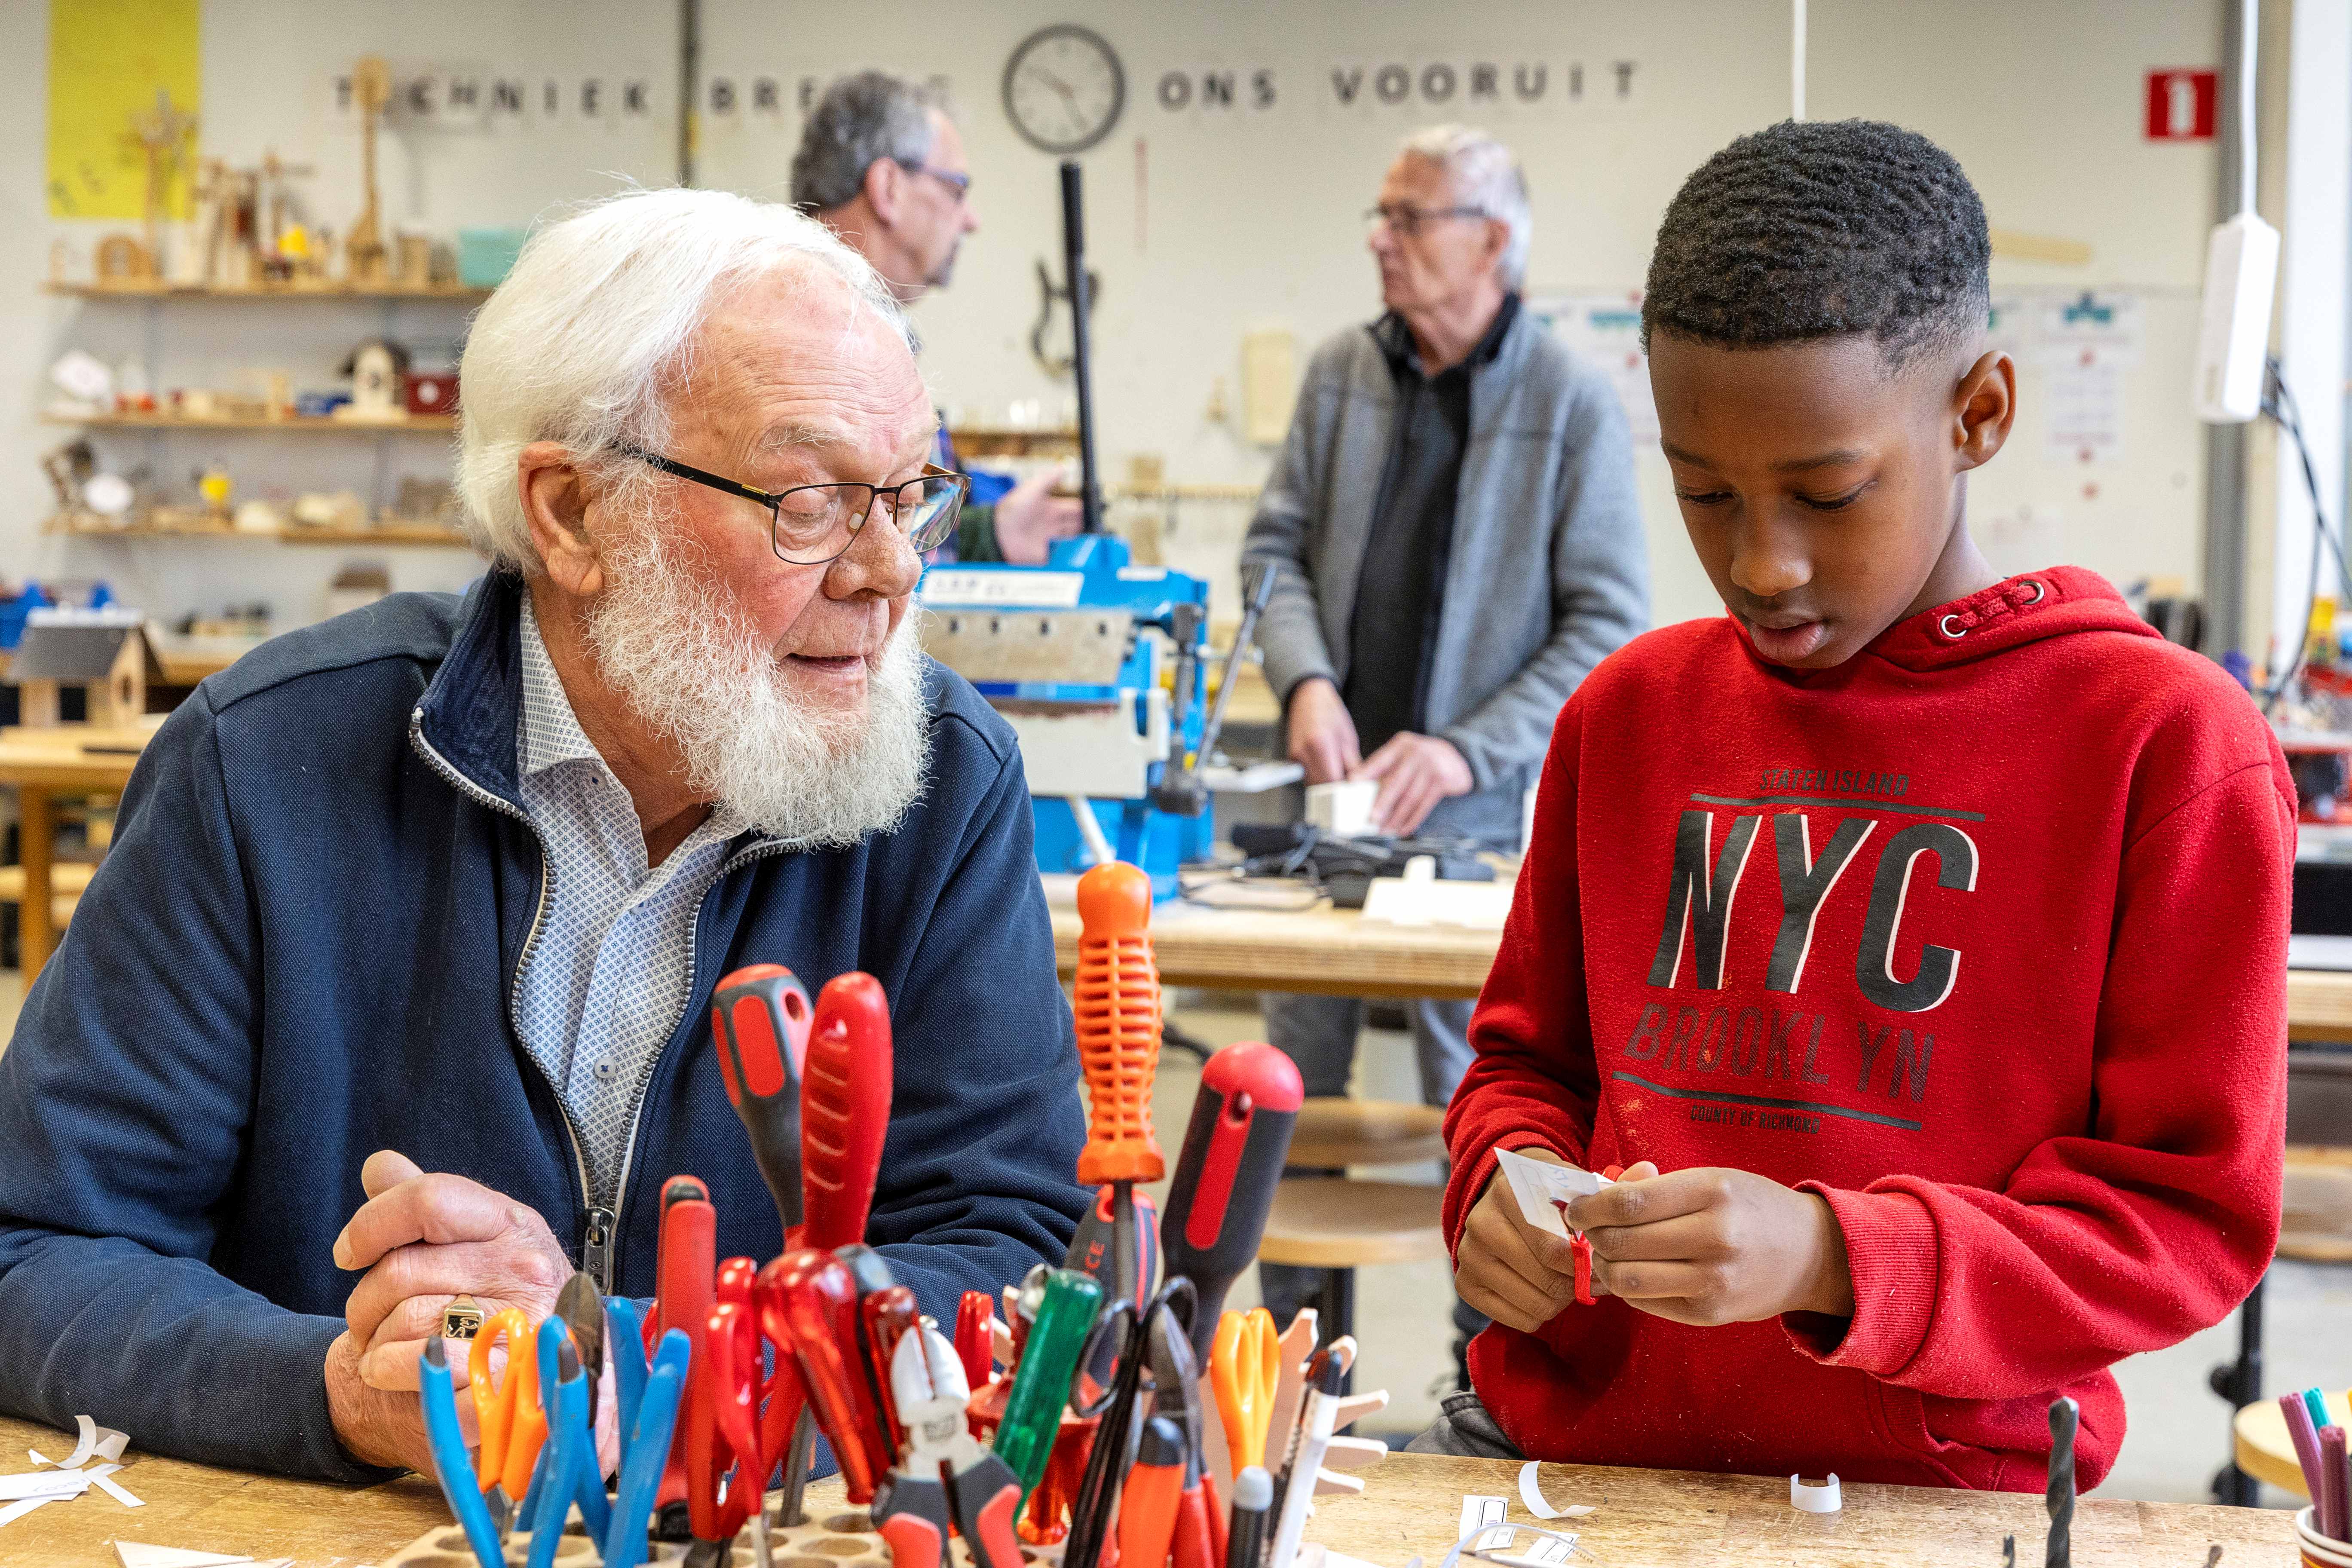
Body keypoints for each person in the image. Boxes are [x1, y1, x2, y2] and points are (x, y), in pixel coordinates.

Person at [0, 188, 1090, 1482]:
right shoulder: (265, 767)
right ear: (571, 514)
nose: (892, 569)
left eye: (911, 496)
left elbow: (1013, 1263)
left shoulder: (942, 786)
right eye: (810, 500)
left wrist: (616, 1365)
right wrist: (336, 1390)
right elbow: (37, 1250)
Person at [1426, 120, 2289, 1490]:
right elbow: (1527, 1071)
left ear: (1980, 413)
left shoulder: (2162, 746)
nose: (1761, 562)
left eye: (1827, 494)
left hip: (1930, 1499)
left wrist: (1836, 1258)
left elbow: (2180, 1217)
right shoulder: (1628, 717)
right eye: (1703, 493)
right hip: (1576, 1464)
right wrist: (1501, 1187)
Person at [1240, 125, 1648, 1366]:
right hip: (1334, 817)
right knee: (1286, 1113)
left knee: (1485, 1124)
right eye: (1383, 214)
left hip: (1476, 837)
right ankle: (1290, 1385)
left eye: (1412, 218)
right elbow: (1274, 554)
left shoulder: (1570, 400)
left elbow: (1607, 622)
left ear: (1494, 240)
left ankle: (1495, 1386)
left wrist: (1468, 751)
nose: (1383, 238)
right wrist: (1306, 681)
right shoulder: (1338, 377)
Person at [793, 70, 1079, 566]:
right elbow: (823, 539)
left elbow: (870, 516)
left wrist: (984, 530)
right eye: (957, 189)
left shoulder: (866, 329)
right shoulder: (805, 334)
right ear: (888, 188)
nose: (971, 220)